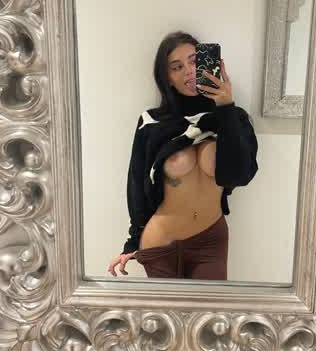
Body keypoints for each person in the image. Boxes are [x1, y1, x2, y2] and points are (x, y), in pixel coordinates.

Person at [107, 30, 258, 280]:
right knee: (164, 309)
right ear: (167, 78)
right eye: (177, 67)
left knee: (211, 307)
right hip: (160, 240)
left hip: (210, 241)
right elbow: (136, 186)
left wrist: (225, 107)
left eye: (194, 61)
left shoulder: (233, 118)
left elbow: (239, 175)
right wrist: (132, 243)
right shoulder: (152, 122)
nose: (188, 71)